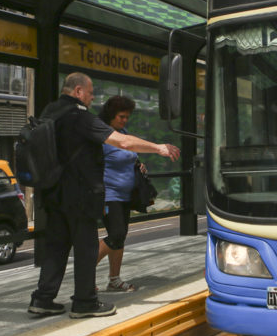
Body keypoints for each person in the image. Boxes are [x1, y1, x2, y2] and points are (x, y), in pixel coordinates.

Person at [28, 73, 179, 319]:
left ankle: (42, 299)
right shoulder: (79, 116)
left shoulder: (50, 112)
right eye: (90, 92)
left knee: (56, 248)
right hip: (79, 195)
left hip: (52, 193)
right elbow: (122, 142)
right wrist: (158, 148)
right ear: (77, 91)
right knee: (86, 248)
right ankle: (84, 302)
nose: (92, 97)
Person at [97, 95, 142, 292]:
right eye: (121, 117)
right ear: (111, 115)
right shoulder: (104, 137)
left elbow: (129, 155)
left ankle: (114, 280)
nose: (124, 121)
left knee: (120, 237)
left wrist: (140, 165)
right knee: (115, 234)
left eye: (127, 117)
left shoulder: (123, 133)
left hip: (125, 196)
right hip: (109, 195)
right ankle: (84, 275)